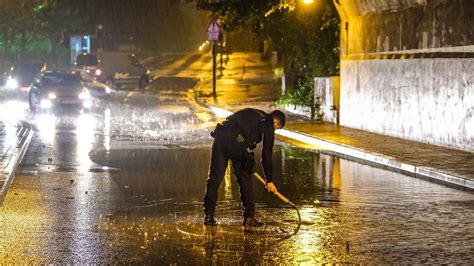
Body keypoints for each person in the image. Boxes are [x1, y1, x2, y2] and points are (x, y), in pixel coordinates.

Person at [203, 108, 286, 226]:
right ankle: (249, 217)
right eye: (276, 128)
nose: (274, 130)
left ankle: (208, 215)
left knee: (214, 178)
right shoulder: (268, 124)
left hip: (221, 138)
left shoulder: (251, 112)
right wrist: (270, 180)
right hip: (236, 145)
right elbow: (266, 153)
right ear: (276, 123)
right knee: (245, 180)